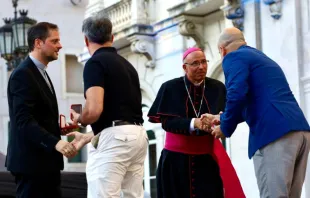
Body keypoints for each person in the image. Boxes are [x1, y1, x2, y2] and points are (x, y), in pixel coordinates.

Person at [211, 27, 310, 198]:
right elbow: (259, 100)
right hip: (299, 131)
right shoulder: (261, 58)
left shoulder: (233, 56)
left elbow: (236, 93)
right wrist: (221, 117)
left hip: (274, 133)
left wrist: (225, 128)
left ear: (222, 49)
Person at [67, 13, 148, 198]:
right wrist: (89, 136)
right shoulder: (128, 65)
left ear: (86, 40)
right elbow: (120, 114)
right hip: (138, 136)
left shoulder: (95, 63)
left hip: (116, 141)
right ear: (112, 38)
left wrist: (80, 119)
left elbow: (94, 110)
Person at [147, 47, 245, 198]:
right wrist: (194, 123)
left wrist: (220, 121)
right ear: (184, 67)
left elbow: (230, 114)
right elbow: (167, 122)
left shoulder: (217, 88)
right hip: (175, 163)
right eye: (195, 63)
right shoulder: (170, 88)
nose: (201, 67)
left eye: (203, 62)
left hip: (206, 162)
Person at [6, 22, 77, 198]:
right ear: (38, 43)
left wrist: (61, 128)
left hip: (45, 164)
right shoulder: (23, 74)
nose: (60, 46)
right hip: (32, 165)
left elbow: (39, 118)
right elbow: (24, 121)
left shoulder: (41, 72)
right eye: (54, 41)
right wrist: (56, 142)